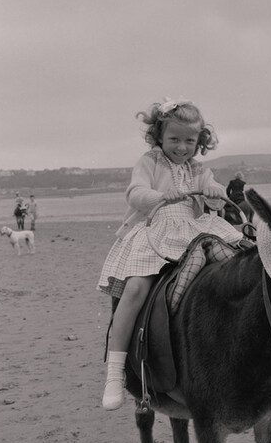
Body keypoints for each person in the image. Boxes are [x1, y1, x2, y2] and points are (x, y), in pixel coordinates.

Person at [97, 98, 245, 411]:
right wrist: (162, 196)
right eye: (174, 139)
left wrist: (216, 193)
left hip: (194, 229)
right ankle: (115, 372)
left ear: (200, 141)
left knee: (240, 272)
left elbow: (213, 197)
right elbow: (135, 193)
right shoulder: (150, 161)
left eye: (189, 141)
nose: (181, 147)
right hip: (156, 229)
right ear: (160, 137)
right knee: (136, 288)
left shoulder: (198, 169)